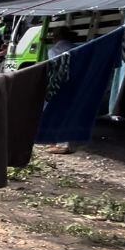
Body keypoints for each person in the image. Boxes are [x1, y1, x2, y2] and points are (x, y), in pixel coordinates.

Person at [45, 27, 79, 155]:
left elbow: (56, 69)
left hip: (61, 84)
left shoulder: (54, 50)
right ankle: (63, 143)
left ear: (57, 37)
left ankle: (62, 144)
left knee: (59, 113)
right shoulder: (76, 48)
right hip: (76, 83)